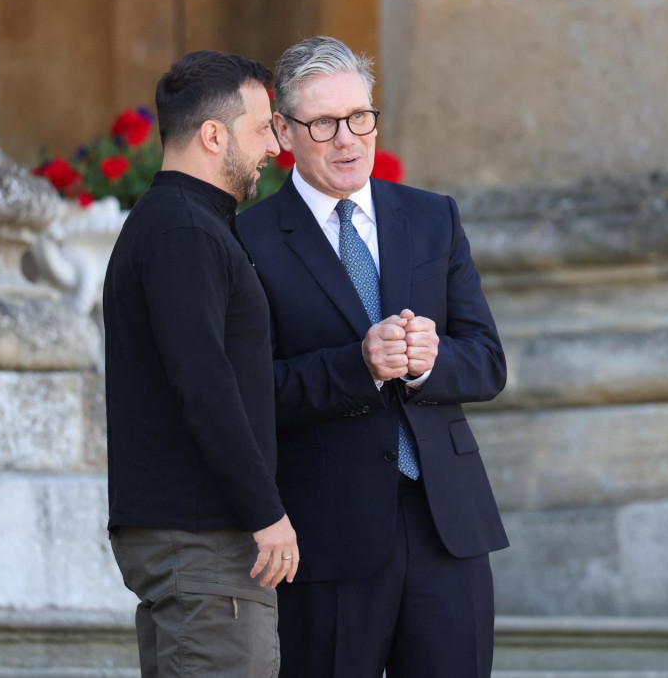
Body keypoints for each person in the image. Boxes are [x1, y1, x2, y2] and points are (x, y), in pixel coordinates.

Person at [238, 36, 508, 678]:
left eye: (360, 117)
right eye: (324, 123)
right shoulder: (246, 239)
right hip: (326, 537)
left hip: (447, 525)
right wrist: (357, 366)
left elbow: (487, 361)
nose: (348, 139)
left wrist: (425, 363)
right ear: (283, 130)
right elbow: (250, 393)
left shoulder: (432, 217)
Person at [103, 50, 298, 678]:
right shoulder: (184, 230)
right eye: (264, 127)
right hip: (205, 542)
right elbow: (204, 383)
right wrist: (264, 511)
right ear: (214, 136)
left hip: (195, 541)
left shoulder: (184, 223)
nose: (276, 144)